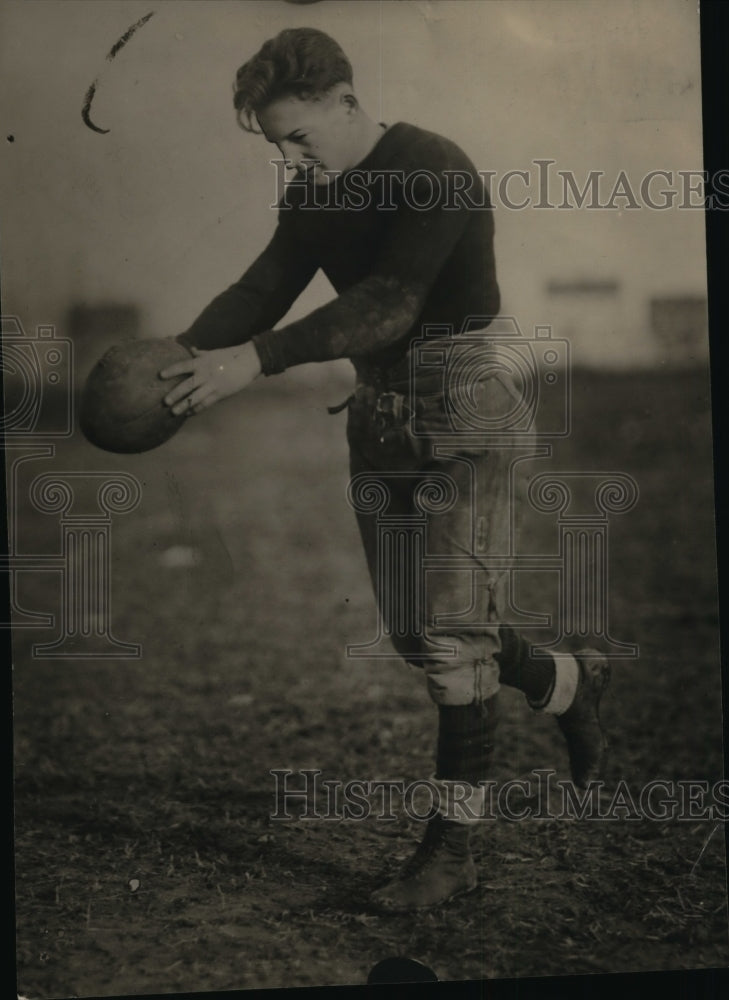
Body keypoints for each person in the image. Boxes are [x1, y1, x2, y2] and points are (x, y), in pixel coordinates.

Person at [159, 27, 610, 912]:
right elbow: (264, 287)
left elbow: (389, 301)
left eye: (299, 135)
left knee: (448, 637)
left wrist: (258, 360)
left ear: (345, 101)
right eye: (275, 143)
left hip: (462, 404)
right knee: (421, 635)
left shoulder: (429, 163)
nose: (291, 156)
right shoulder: (312, 190)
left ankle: (451, 854)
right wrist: (176, 356)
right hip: (377, 413)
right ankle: (568, 680)